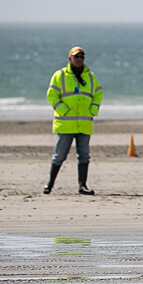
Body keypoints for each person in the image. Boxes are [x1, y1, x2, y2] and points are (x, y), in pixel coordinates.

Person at [44, 46, 103, 195]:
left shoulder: (90, 76)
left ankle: (82, 186)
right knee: (59, 155)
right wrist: (63, 110)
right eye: (76, 57)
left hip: (84, 123)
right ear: (70, 58)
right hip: (66, 123)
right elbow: (52, 95)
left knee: (84, 155)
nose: (79, 59)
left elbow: (98, 93)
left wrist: (93, 110)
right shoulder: (60, 75)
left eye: (82, 57)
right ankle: (49, 184)